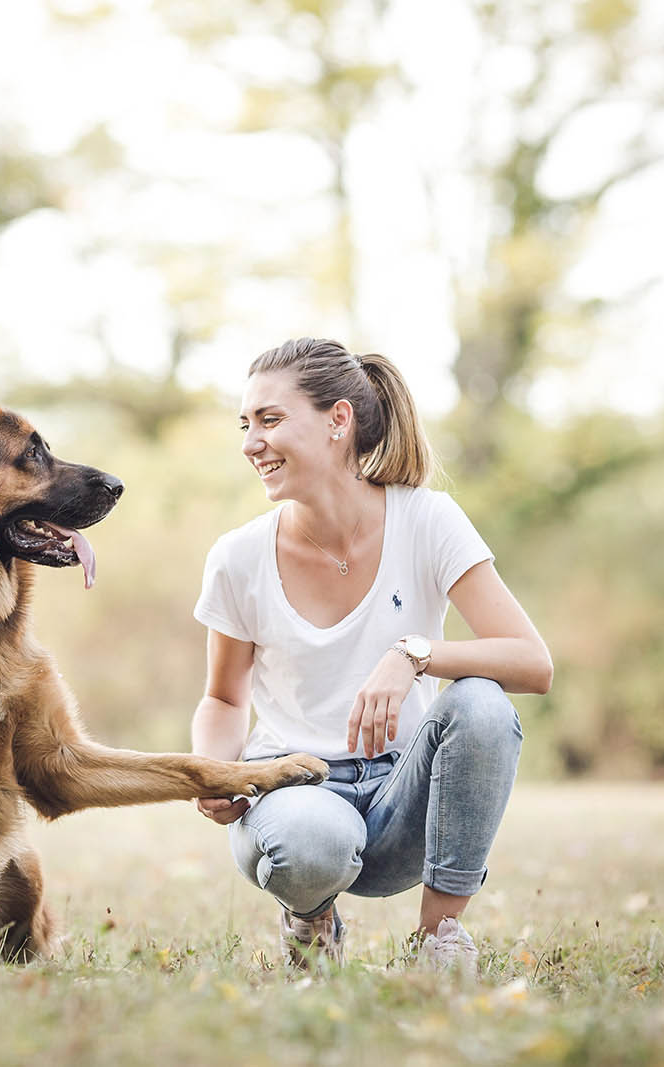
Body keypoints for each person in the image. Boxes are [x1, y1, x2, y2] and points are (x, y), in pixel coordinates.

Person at [190, 337, 552, 978]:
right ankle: (311, 918)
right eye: (245, 424)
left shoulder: (429, 521)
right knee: (309, 845)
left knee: (481, 702)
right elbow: (223, 698)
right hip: (292, 788)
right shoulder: (238, 558)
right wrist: (214, 770)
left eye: (269, 420)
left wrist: (414, 653)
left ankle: (439, 944)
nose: (250, 442)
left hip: (402, 798)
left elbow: (531, 661)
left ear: (338, 421)